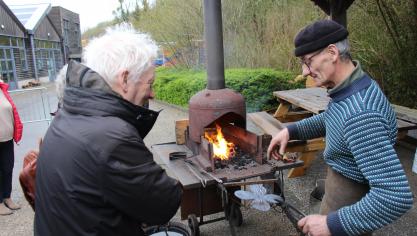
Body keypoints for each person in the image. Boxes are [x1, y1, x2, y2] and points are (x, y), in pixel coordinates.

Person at [267, 20, 413, 236]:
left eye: (308, 61)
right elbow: (333, 119)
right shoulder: (353, 86)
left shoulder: (361, 115)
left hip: (349, 201)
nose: (305, 71)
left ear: (332, 52)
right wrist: (292, 130)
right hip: (340, 187)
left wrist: (330, 224)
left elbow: (394, 196)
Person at [34, 24, 182, 235]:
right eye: (150, 83)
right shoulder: (112, 137)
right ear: (124, 79)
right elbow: (164, 204)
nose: (153, 93)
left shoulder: (69, 114)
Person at [0, 77, 23, 215]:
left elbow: (11, 110)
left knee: (8, 168)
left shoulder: (2, 89)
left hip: (7, 138)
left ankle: (7, 197)